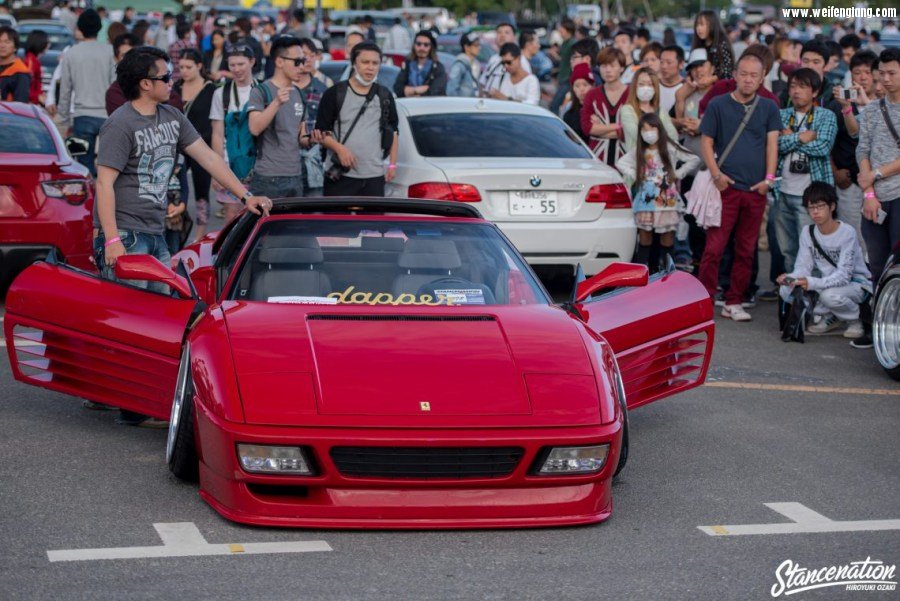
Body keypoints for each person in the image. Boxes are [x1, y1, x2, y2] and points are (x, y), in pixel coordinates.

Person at [95, 46, 271, 427]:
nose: (171, 80)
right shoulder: (120, 124)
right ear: (145, 84)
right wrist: (111, 240)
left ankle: (138, 398)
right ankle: (127, 402)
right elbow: (104, 183)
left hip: (156, 232)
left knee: (156, 320)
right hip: (126, 234)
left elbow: (207, 157)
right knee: (129, 321)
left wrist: (245, 195)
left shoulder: (172, 116)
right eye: (164, 76)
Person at [698, 52, 782, 322]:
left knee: (747, 250)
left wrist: (769, 179)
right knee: (714, 248)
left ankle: (734, 301)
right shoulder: (718, 104)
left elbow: (772, 144)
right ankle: (704, 299)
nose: (748, 79)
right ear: (734, 75)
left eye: (754, 75)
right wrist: (716, 175)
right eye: (743, 74)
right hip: (725, 188)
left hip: (755, 189)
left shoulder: (769, 107)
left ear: (761, 78)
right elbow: (706, 142)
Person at [776, 182, 871, 338]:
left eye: (820, 206)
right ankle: (833, 316)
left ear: (832, 206)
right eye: (811, 208)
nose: (815, 212)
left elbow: (844, 275)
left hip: (856, 284)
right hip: (827, 283)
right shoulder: (808, 231)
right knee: (785, 289)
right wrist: (790, 278)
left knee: (828, 296)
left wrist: (811, 282)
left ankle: (856, 319)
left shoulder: (847, 232)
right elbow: (803, 267)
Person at [314, 41, 399, 197]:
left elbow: (394, 131)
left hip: (374, 175)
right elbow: (320, 133)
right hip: (340, 174)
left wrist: (392, 164)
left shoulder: (385, 95)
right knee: (336, 221)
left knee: (372, 222)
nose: (370, 67)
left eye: (375, 63)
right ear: (354, 63)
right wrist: (340, 149)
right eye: (365, 62)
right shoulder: (334, 93)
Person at [773, 68, 838, 273]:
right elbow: (775, 146)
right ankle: (795, 298)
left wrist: (789, 139)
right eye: (793, 86)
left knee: (813, 250)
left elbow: (823, 147)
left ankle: (816, 297)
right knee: (788, 250)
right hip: (781, 191)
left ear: (815, 91)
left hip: (812, 196)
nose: (796, 91)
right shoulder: (781, 114)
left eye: (802, 86)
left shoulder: (825, 115)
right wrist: (801, 137)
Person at [619, 112, 701, 271]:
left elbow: (694, 159)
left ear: (659, 129)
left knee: (667, 239)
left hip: (667, 202)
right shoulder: (639, 150)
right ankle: (645, 274)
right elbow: (621, 163)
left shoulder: (669, 147)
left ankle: (666, 275)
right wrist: (636, 174)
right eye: (644, 130)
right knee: (644, 239)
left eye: (652, 129)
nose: (648, 133)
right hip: (646, 202)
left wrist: (678, 174)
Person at [856, 48, 900, 312]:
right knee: (877, 264)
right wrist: (869, 193)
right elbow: (863, 149)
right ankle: (880, 326)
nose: (885, 79)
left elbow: (874, 168)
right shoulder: (873, 109)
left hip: (897, 194)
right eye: (881, 73)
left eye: (892, 73)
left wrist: (877, 173)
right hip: (874, 199)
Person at [246, 36, 308, 200]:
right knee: (265, 225)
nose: (302, 66)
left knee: (295, 226)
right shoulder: (261, 91)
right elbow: (254, 127)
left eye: (303, 61)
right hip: (268, 177)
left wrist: (314, 138)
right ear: (280, 62)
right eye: (297, 61)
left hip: (296, 175)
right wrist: (277, 102)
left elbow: (301, 137)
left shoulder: (300, 94)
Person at [59, 10, 117, 178]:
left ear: (80, 28)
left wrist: (64, 118)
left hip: (81, 116)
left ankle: (90, 201)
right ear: (99, 28)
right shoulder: (109, 52)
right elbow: (115, 85)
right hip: (107, 115)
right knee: (109, 166)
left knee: (84, 165)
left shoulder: (71, 53)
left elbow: (65, 90)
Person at [831, 49, 878, 249]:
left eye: (867, 72)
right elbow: (831, 142)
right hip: (848, 181)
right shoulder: (840, 105)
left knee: (876, 236)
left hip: (878, 182)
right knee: (851, 235)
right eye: (857, 72)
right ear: (850, 74)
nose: (863, 77)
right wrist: (836, 172)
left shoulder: (884, 104)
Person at [210, 45, 257, 224]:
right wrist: (217, 172)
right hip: (231, 165)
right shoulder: (221, 94)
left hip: (260, 165)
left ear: (252, 62)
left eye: (241, 64)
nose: (236, 70)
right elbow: (217, 133)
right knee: (232, 215)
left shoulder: (264, 89)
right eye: (232, 65)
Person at [174, 48, 215, 241]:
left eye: (188, 67)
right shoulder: (175, 87)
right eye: (181, 67)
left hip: (202, 145)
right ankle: (176, 226)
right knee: (175, 187)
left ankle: (200, 232)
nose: (184, 71)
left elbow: (215, 122)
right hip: (177, 146)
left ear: (199, 66)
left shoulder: (211, 89)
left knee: (201, 190)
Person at [581, 46, 629, 167]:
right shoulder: (592, 95)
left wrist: (600, 129)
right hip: (598, 160)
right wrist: (618, 127)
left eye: (612, 66)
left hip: (626, 162)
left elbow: (633, 131)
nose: (607, 70)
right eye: (603, 66)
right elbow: (587, 128)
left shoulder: (631, 94)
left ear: (622, 68)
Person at [295, 37, 328, 196]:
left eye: (311, 54)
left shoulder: (323, 89)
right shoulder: (283, 89)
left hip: (315, 162)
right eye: (303, 54)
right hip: (286, 163)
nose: (307, 59)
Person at [619, 67, 678, 154]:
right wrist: (661, 135)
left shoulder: (660, 110)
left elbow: (673, 136)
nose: (645, 88)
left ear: (655, 88)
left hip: (661, 162)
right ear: (635, 86)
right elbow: (637, 135)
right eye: (641, 84)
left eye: (650, 85)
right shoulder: (627, 110)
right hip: (637, 162)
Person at [479, 23, 531, 96]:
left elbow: (526, 90)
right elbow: (483, 82)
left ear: (514, 37)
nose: (502, 35)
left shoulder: (520, 60)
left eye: (507, 32)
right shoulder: (493, 58)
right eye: (499, 32)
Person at [394, 31, 447, 98]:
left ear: (431, 47)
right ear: (414, 45)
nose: (422, 48)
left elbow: (437, 91)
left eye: (426, 45)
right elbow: (398, 88)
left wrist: (409, 92)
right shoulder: (407, 64)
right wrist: (417, 90)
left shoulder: (438, 67)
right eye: (418, 44)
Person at [692, 10, 734, 80]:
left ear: (712, 24)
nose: (698, 28)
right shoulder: (699, 45)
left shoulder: (722, 44)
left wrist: (710, 80)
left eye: (702, 24)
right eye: (697, 25)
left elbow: (727, 71)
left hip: (719, 87)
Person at [549, 18, 576, 114]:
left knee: (554, 105)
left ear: (567, 29)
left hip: (567, 80)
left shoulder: (572, 43)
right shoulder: (564, 43)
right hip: (563, 79)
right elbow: (563, 60)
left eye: (561, 29)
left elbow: (571, 61)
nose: (560, 31)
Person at [563, 63, 594, 144]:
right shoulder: (568, 115)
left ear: (592, 86)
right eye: (577, 86)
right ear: (573, 89)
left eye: (585, 85)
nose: (581, 89)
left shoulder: (600, 111)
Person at [0, 26, 30, 103]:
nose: (2, 46)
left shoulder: (20, 73)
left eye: (7, 42)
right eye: (0, 41)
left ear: (15, 47)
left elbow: (20, 104)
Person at [447, 31, 480, 98]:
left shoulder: (476, 64)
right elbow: (451, 90)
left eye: (479, 45)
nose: (479, 48)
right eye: (476, 45)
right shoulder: (459, 65)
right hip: (463, 105)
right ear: (466, 47)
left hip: (473, 104)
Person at [23, 30, 49, 105]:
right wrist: (37, 97)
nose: (48, 45)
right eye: (46, 42)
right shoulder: (30, 61)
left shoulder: (34, 60)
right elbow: (26, 86)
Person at [658, 45, 685, 114]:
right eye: (661, 62)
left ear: (681, 64)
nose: (664, 66)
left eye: (669, 62)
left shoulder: (686, 87)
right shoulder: (653, 84)